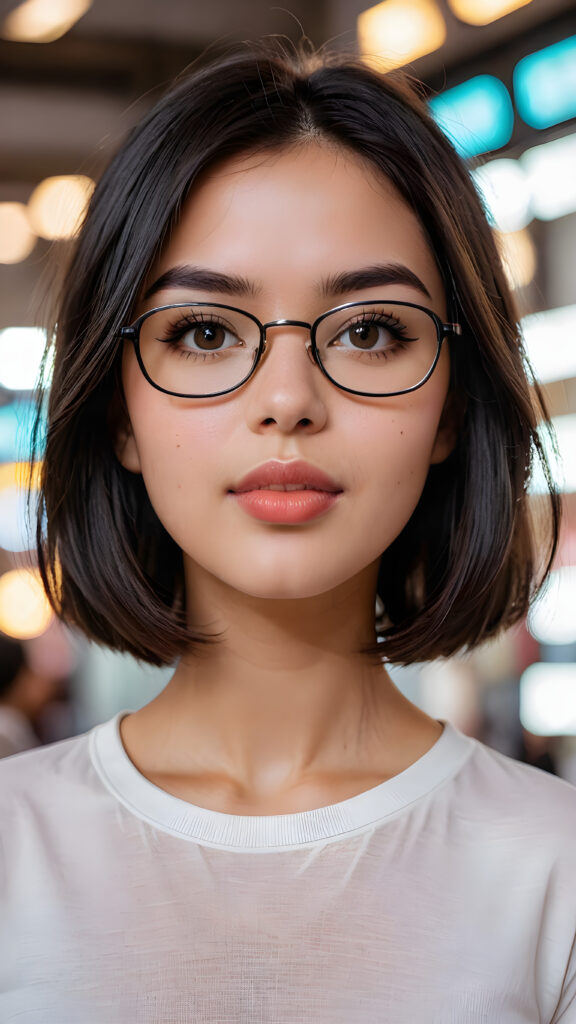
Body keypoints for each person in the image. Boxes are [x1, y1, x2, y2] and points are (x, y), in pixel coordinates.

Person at [0, 38, 574, 1023]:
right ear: (118, 413)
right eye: (204, 332)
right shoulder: (15, 852)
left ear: (450, 407)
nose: (287, 400)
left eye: (369, 330)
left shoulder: (552, 871)